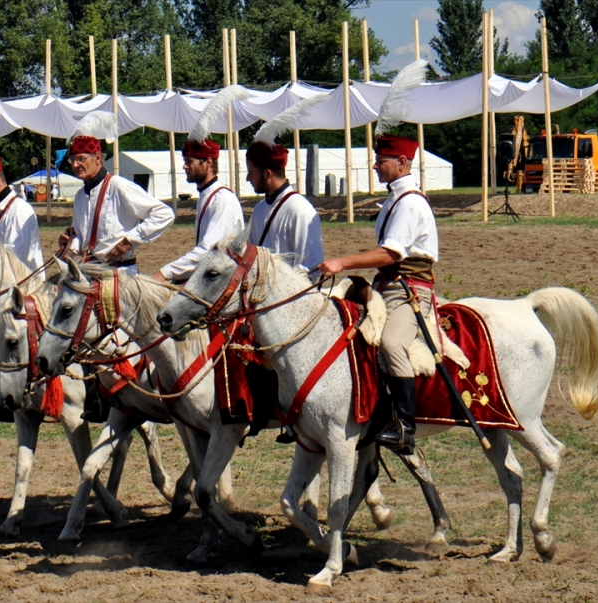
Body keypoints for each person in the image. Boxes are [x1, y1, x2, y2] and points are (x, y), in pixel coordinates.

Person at [317, 135, 438, 450]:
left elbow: (390, 255)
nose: (375, 166)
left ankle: (404, 428)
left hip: (409, 292)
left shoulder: (410, 202)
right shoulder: (394, 200)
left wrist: (342, 262)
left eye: (381, 160)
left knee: (390, 342)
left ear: (401, 162)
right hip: (388, 287)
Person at [58, 112, 174, 274]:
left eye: (81, 159)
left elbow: (164, 214)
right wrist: (71, 244)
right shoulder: (80, 196)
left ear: (97, 158)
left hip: (121, 273)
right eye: (72, 160)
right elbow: (81, 236)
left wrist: (129, 241)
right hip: (89, 272)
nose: (76, 165)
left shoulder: (119, 186)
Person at [153, 138, 243, 283]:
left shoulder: (223, 199)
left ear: (208, 162)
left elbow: (208, 251)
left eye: (189, 161)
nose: (184, 166)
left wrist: (165, 273)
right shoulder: (207, 195)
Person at [245, 140, 324, 273]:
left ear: (268, 173)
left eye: (251, 172)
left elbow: (312, 266)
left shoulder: (299, 210)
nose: (248, 178)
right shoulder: (259, 209)